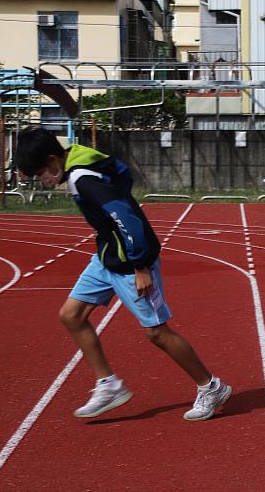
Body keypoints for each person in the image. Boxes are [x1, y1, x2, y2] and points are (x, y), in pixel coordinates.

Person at [15, 126, 231, 421]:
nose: (43, 180)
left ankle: (211, 387)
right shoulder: (81, 159)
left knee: (157, 332)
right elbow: (123, 178)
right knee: (71, 315)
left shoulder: (83, 177)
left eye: (41, 173)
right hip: (107, 257)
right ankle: (109, 385)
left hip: (131, 261)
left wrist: (140, 266)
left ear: (53, 160)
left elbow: (126, 216)